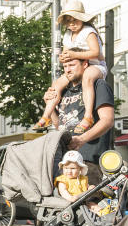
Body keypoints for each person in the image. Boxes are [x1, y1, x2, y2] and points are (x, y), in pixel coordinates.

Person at [36, 1, 107, 134]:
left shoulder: (89, 32)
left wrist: (74, 54)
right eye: (68, 21)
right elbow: (66, 52)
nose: (72, 24)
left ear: (82, 19)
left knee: (87, 78)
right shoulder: (68, 35)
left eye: (75, 20)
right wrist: (63, 58)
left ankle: (88, 116)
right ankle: (46, 115)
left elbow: (96, 53)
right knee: (56, 84)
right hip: (77, 66)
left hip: (95, 65)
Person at [48, 49, 115, 185]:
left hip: (88, 161)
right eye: (65, 67)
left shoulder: (98, 85)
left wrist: (81, 139)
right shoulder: (64, 91)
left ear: (85, 64)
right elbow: (59, 125)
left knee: (87, 203)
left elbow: (107, 120)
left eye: (72, 65)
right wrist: (49, 108)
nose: (68, 70)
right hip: (64, 163)